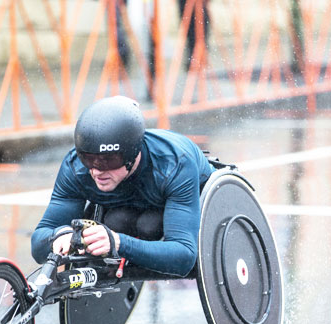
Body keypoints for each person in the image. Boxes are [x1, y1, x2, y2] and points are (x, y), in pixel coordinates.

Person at [31, 95, 215, 277]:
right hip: (123, 211)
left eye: (108, 161)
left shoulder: (175, 165)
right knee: (118, 220)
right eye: (88, 159)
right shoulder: (75, 168)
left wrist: (119, 243)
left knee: (149, 225)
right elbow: (38, 245)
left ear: (132, 155)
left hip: (179, 204)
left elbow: (184, 258)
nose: (96, 171)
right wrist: (59, 235)